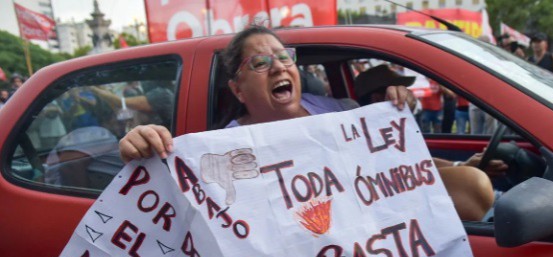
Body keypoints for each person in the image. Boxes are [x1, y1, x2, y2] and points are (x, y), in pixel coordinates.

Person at [119, 26, 498, 221]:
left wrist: (457, 165)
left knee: (473, 185)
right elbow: (180, 197)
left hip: (376, 248)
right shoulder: (224, 149)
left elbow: (392, 169)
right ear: (237, 89)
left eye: (284, 58)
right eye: (260, 63)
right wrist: (142, 148)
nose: (280, 67)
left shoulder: (339, 110)